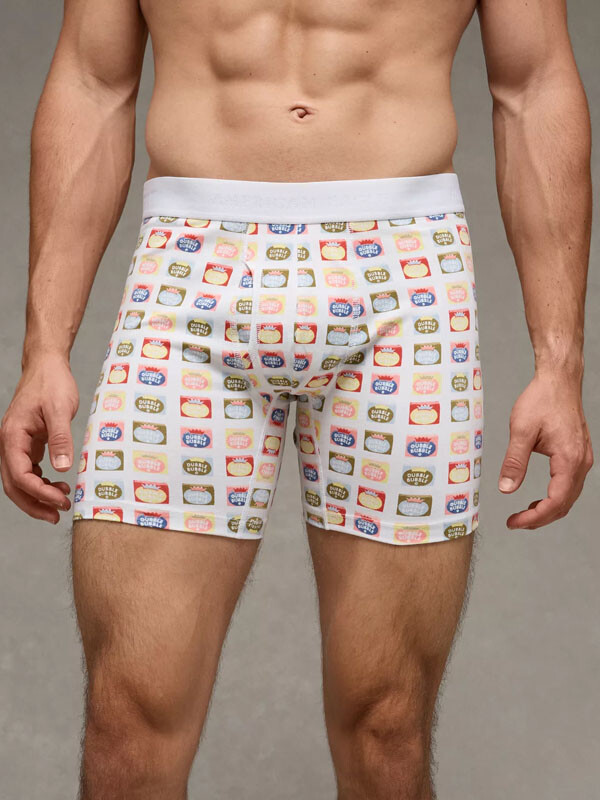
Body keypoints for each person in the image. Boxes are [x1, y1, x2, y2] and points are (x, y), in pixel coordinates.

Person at [0, 1, 593, 798]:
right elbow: (91, 81)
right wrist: (44, 348)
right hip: (191, 272)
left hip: (402, 283)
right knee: (127, 726)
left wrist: (559, 364)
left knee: (386, 727)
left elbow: (533, 84)